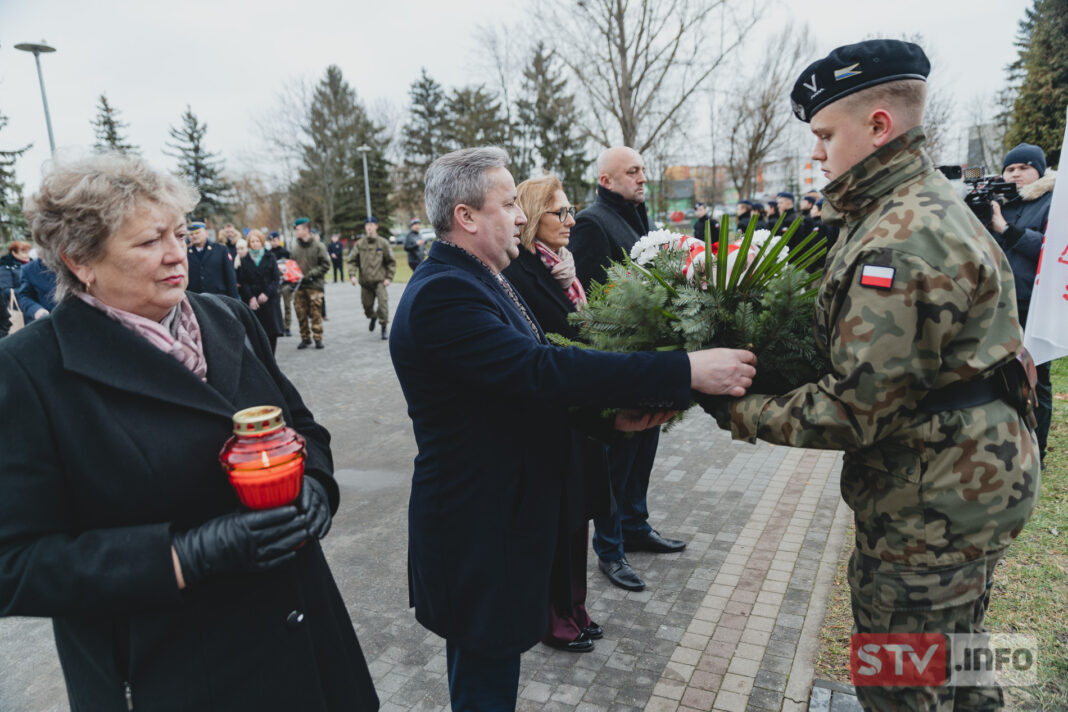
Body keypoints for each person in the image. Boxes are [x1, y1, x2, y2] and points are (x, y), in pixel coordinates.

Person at [713, 39, 1038, 711]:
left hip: (928, 511)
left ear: (880, 127)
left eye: (826, 134)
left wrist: (730, 402)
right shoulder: (916, 204)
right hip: (969, 489)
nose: (817, 152)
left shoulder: (897, 239)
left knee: (899, 683)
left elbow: (856, 409)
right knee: (958, 658)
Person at [0, 152, 378, 711]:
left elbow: (301, 426)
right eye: (150, 242)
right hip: (176, 673)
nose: (178, 253)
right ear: (81, 260)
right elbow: (16, 566)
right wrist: (186, 556)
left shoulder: (226, 316)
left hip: (304, 640)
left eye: (179, 232)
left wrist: (319, 487)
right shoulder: (30, 370)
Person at [390, 146, 757, 711]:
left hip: (498, 526)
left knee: (487, 677)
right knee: (483, 687)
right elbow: (541, 369)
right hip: (477, 535)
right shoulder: (445, 292)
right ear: (466, 217)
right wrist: (685, 368)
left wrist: (611, 417)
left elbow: (516, 390)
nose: (520, 216)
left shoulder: (478, 277)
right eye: (509, 203)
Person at [569, 146, 688, 594]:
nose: (643, 177)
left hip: (651, 358)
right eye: (632, 171)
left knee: (643, 455)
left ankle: (636, 527)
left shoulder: (643, 219)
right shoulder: (591, 222)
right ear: (606, 181)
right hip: (620, 362)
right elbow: (594, 297)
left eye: (643, 169)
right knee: (617, 462)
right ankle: (611, 547)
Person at [502, 174, 607, 654]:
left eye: (571, 211)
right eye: (559, 212)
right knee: (556, 520)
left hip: (578, 415)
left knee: (578, 516)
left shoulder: (564, 267)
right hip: (550, 417)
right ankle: (554, 616)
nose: (570, 220)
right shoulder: (521, 272)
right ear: (531, 218)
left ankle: (576, 607)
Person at [989, 142, 1055, 464]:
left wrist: (1005, 229)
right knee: (998, 376)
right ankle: (1006, 446)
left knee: (1036, 378)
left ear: (1039, 172)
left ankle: (1036, 453)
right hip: (997, 302)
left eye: (1023, 168)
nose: (1015, 174)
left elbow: (1052, 250)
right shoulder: (993, 201)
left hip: (1035, 304)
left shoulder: (1054, 202)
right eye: (1010, 168)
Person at [236, 229, 284, 354]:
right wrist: (251, 297)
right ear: (249, 243)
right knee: (256, 332)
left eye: (257, 241)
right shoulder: (245, 260)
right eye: (252, 241)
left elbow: (275, 278)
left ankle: (271, 359)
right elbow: (244, 281)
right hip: (254, 301)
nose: (255, 243)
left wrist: (267, 293)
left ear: (262, 242)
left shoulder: (270, 257)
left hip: (269, 299)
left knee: (271, 332)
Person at [348, 216, 395, 341]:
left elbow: (391, 262)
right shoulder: (359, 244)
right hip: (365, 282)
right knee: (367, 307)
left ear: (376, 226)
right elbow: (352, 261)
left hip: (380, 281)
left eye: (371, 224)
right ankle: (373, 317)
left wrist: (389, 278)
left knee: (383, 305)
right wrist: (352, 275)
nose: (369, 227)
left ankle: (383, 326)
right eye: (367, 225)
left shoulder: (383, 243)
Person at [289, 217, 330, 349]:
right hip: (299, 286)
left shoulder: (319, 246)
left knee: (315, 313)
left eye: (297, 229)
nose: (295, 232)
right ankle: (305, 338)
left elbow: (325, 265)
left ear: (306, 230)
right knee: (301, 314)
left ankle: (318, 338)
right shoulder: (295, 248)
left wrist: (310, 274)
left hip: (314, 286)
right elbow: (292, 265)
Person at [186, 221, 239, 299]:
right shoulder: (186, 253)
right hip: (195, 300)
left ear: (206, 233)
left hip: (218, 299)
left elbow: (230, 277)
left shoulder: (221, 250)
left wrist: (234, 301)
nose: (194, 236)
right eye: (191, 234)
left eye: (197, 233)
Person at [268, 231, 294, 337]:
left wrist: (292, 283)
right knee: (276, 306)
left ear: (279, 240)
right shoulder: (268, 254)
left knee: (287, 306)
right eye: (271, 241)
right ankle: (279, 326)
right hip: (275, 284)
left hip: (286, 283)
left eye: (275, 240)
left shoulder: (285, 252)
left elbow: (291, 267)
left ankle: (287, 327)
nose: (273, 242)